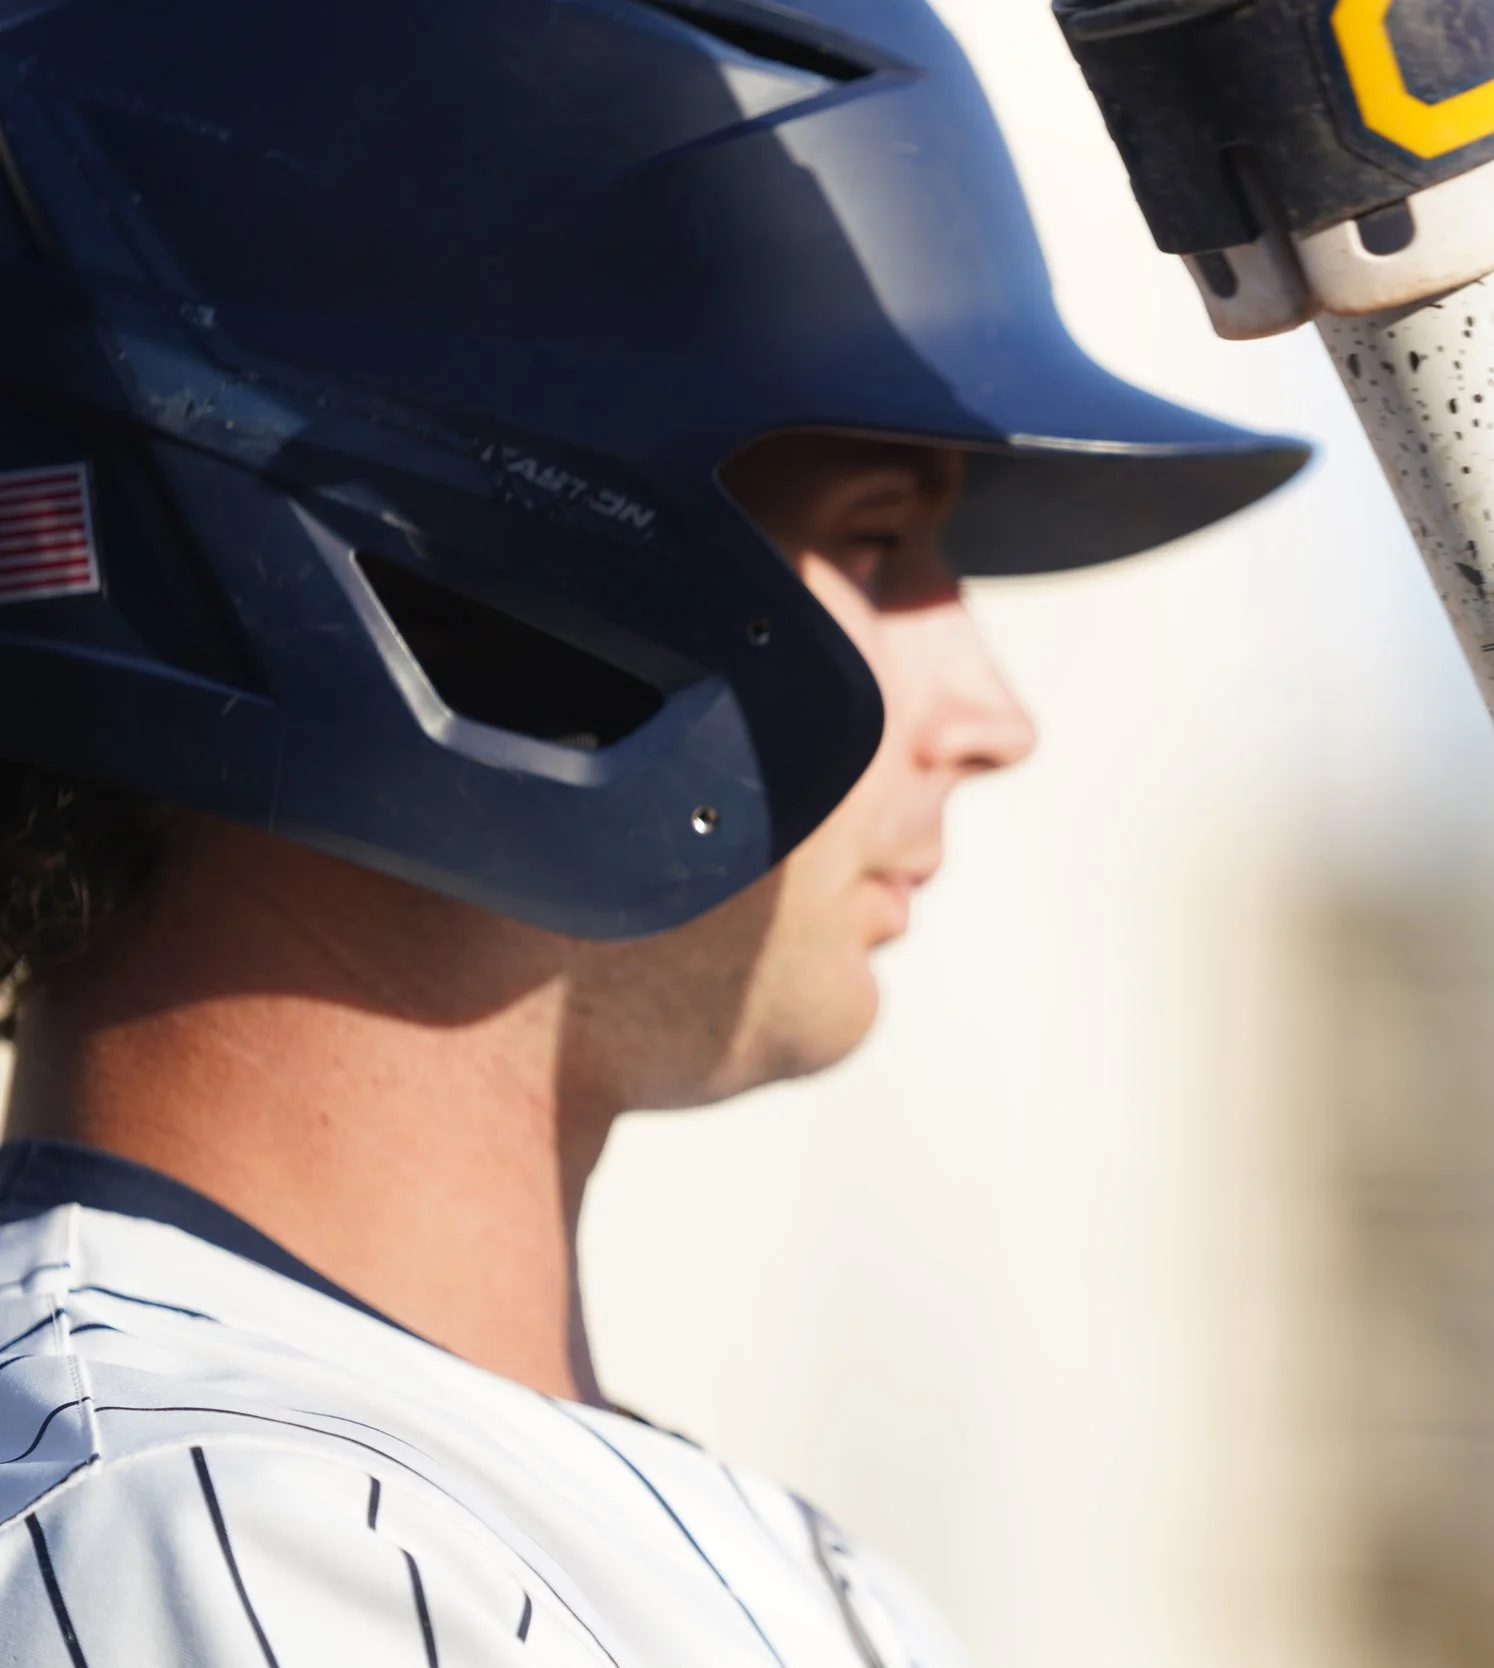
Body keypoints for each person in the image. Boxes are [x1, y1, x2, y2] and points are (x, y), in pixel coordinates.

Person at [0, 0, 1300, 1660]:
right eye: (882, 540)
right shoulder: (209, 1529)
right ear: (485, 585)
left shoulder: (552, 1527)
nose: (991, 711)